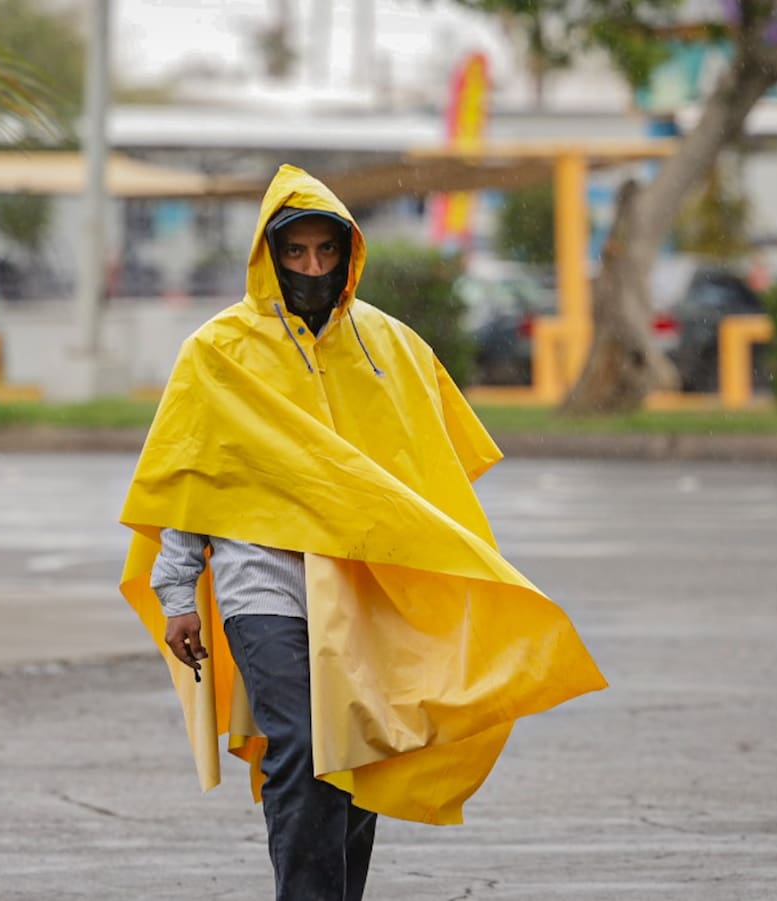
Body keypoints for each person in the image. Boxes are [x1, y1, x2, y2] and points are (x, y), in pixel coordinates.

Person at [119, 164, 606, 901]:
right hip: (263, 581)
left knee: (355, 752)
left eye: (325, 252)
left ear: (349, 255)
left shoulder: (392, 349)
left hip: (361, 584)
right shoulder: (216, 352)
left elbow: (428, 475)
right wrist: (176, 588)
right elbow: (189, 475)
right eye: (295, 253)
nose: (311, 268)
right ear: (268, 254)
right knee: (306, 746)